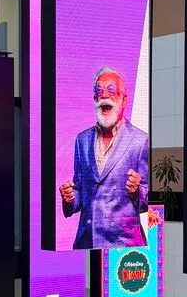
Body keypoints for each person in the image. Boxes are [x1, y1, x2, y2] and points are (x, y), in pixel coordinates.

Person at [59, 67, 149, 249]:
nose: (104, 96)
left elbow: (150, 200)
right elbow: (80, 194)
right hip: (87, 243)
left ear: (124, 100)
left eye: (111, 90)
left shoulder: (141, 141)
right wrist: (70, 198)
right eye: (98, 92)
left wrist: (136, 191)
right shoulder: (82, 140)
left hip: (124, 246)